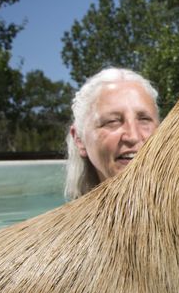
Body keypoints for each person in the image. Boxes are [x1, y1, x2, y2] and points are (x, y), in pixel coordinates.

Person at [64, 68, 160, 200]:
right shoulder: (66, 220)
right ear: (79, 140)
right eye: (112, 121)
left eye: (144, 119)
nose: (133, 136)